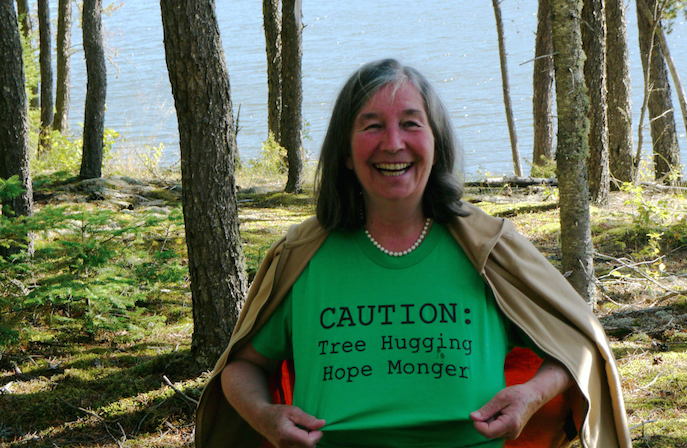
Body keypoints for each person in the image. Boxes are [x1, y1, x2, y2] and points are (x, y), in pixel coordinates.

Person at [194, 59, 631, 448]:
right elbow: (242, 366)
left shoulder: (488, 247)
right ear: (345, 153)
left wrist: (531, 396)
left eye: (410, 123)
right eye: (371, 125)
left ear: (435, 141)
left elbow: (578, 345)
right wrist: (264, 416)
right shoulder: (301, 255)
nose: (393, 143)